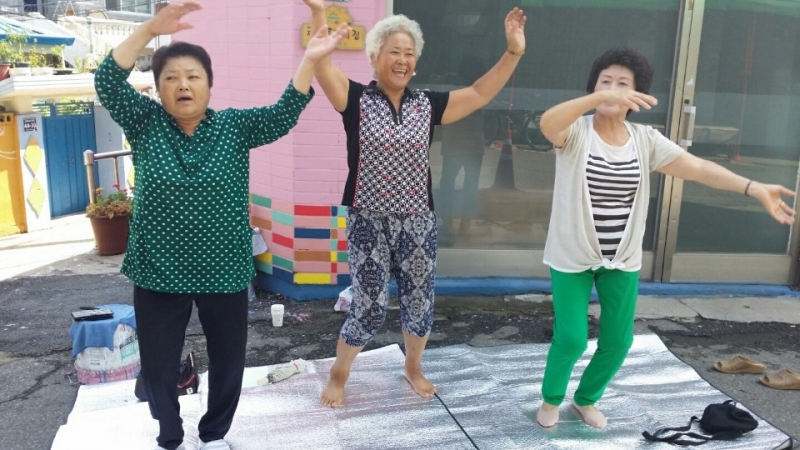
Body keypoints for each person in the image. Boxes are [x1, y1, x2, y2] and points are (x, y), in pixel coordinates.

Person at [93, 2, 348, 449]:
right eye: (171, 78)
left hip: (224, 270)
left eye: (193, 76)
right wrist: (150, 29)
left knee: (228, 363)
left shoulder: (234, 127)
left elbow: (283, 113)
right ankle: (169, 433)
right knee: (157, 366)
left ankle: (213, 435)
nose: (183, 85)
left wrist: (310, 60)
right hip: (158, 271)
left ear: (210, 85)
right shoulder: (145, 122)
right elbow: (107, 82)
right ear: (158, 88)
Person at [535, 47, 795, 430]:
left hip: (621, 260)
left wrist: (753, 187)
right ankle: (551, 398)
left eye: (623, 84)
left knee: (619, 341)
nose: (613, 89)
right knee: (572, 338)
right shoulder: (576, 132)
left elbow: (697, 167)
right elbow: (548, 123)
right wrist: (597, 98)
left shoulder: (645, 139)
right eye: (605, 82)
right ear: (593, 88)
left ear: (636, 97)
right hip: (572, 256)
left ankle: (586, 398)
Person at [303, 0, 526, 408]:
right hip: (367, 221)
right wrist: (319, 12)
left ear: (416, 64)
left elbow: (479, 92)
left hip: (417, 222)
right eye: (394, 51)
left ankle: (413, 367)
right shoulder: (355, 99)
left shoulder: (427, 104)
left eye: (409, 53)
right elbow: (321, 64)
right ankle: (339, 373)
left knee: (419, 304)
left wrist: (513, 52)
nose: (402, 60)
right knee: (369, 308)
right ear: (375, 57)